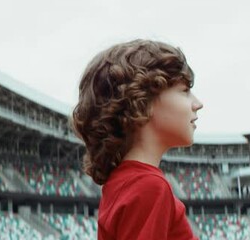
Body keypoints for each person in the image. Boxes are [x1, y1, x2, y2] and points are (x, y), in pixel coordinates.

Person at [71, 39, 203, 240]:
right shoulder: (148, 187)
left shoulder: (125, 182)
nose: (197, 104)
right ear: (143, 102)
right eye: (185, 91)